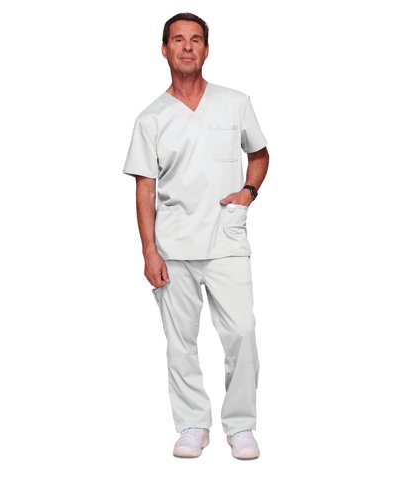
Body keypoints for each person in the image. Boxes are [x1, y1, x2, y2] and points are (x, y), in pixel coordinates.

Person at [122, 12, 269, 460]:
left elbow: (260, 154)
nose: (187, 46)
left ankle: (240, 426)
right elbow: (145, 188)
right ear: (164, 49)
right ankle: (192, 425)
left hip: (226, 239)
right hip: (174, 244)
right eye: (178, 39)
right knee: (180, 341)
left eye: (196, 39)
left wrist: (248, 192)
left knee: (242, 332)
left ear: (206, 49)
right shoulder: (151, 119)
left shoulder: (235, 103)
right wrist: (149, 251)